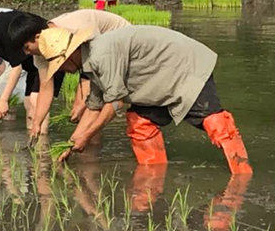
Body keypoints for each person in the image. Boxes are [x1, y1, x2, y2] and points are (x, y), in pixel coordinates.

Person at [38, 25, 253, 174]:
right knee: (140, 123)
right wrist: (71, 143)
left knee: (215, 123)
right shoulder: (90, 63)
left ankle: (242, 177)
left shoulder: (101, 55)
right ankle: (153, 178)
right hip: (157, 80)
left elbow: (116, 103)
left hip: (185, 67)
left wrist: (87, 137)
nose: (63, 70)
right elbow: (94, 107)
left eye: (61, 64)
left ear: (71, 53)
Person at [14, 9, 131, 139]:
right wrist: (37, 123)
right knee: (90, 109)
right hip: (98, 59)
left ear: (37, 37)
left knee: (92, 106)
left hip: (122, 45)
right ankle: (87, 146)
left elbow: (91, 64)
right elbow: (46, 87)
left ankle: (90, 148)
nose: (26, 53)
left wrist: (82, 102)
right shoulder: (42, 52)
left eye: (27, 47)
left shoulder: (76, 27)